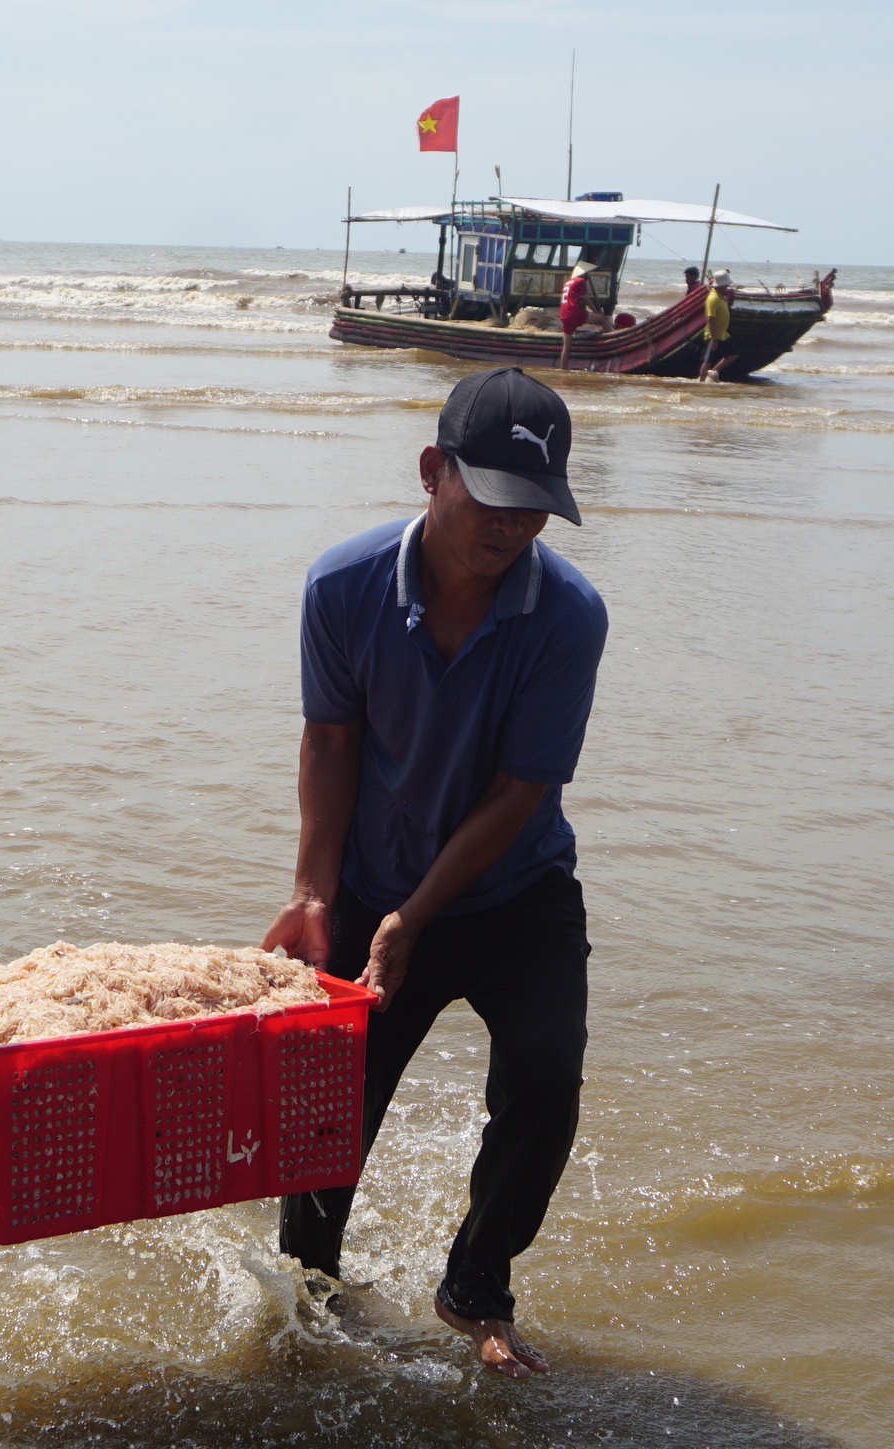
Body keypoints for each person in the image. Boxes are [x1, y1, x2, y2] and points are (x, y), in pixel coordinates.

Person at [262, 366, 608, 1381]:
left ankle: (475, 1286)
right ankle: (309, 1293)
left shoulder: (567, 616)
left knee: (545, 1082)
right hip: (374, 882)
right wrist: (317, 894)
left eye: (535, 508)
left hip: (516, 890)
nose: (510, 528)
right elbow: (329, 743)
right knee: (330, 1112)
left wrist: (417, 916)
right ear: (432, 471)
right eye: (493, 498)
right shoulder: (342, 585)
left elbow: (518, 793)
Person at [555, 259, 596, 370]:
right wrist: (597, 312)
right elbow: (587, 300)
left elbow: (575, 299)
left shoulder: (568, 282)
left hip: (564, 315)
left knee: (566, 347)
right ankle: (610, 343)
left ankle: (563, 370)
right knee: (603, 320)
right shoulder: (580, 281)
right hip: (574, 313)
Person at [699, 269, 735, 381]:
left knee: (734, 353)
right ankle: (701, 382)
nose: (727, 286)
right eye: (725, 285)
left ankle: (714, 372)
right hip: (713, 335)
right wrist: (713, 339)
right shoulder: (713, 298)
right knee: (707, 361)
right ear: (720, 285)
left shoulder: (721, 296)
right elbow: (710, 319)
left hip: (723, 334)